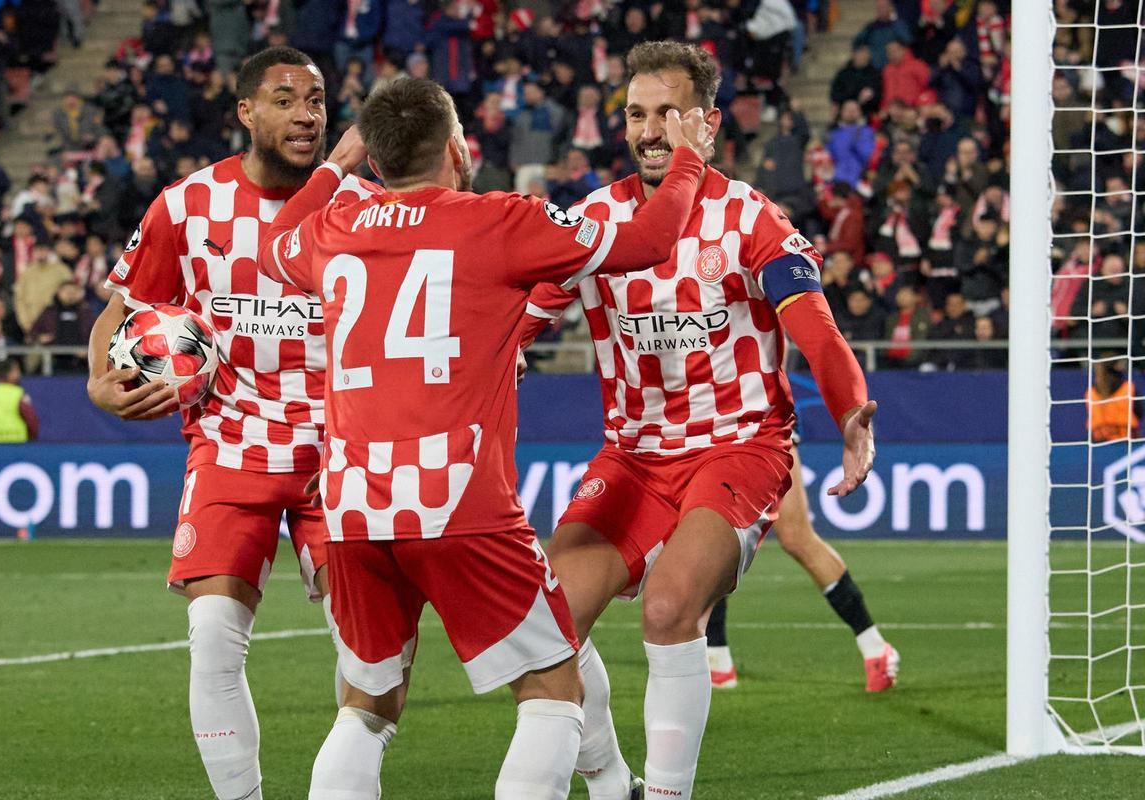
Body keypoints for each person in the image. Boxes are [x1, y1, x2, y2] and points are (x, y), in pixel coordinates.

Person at [256, 76, 712, 800]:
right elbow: (653, 239)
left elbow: (270, 245)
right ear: (456, 147)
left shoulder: (329, 232)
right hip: (458, 501)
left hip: (349, 509)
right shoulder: (499, 220)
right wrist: (689, 158)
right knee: (552, 688)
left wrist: (332, 169)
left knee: (368, 706)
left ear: (373, 159)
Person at [520, 42, 878, 799]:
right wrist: (498, 352)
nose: (651, 132)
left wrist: (849, 409)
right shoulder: (597, 220)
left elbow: (813, 326)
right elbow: (522, 319)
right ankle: (615, 782)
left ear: (707, 124)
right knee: (542, 625)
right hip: (634, 457)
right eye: (636, 115)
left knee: (669, 604)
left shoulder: (750, 217)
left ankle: (670, 794)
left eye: (669, 116)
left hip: (740, 447)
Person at [86, 46, 376, 800]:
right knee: (214, 637)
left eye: (316, 98)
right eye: (285, 99)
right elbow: (122, 309)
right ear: (246, 112)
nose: (307, 113)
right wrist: (97, 382)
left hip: (341, 453)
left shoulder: (357, 206)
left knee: (370, 650)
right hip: (232, 442)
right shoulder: (187, 206)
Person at [705, 445, 899, 692]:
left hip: (765, 426)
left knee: (797, 538)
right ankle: (716, 658)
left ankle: (875, 648)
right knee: (713, 536)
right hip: (713, 430)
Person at [0, 358, 39, 443]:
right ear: (8, 374)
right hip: (16, 445)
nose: (19, 374)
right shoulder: (19, 394)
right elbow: (31, 421)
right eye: (16, 371)